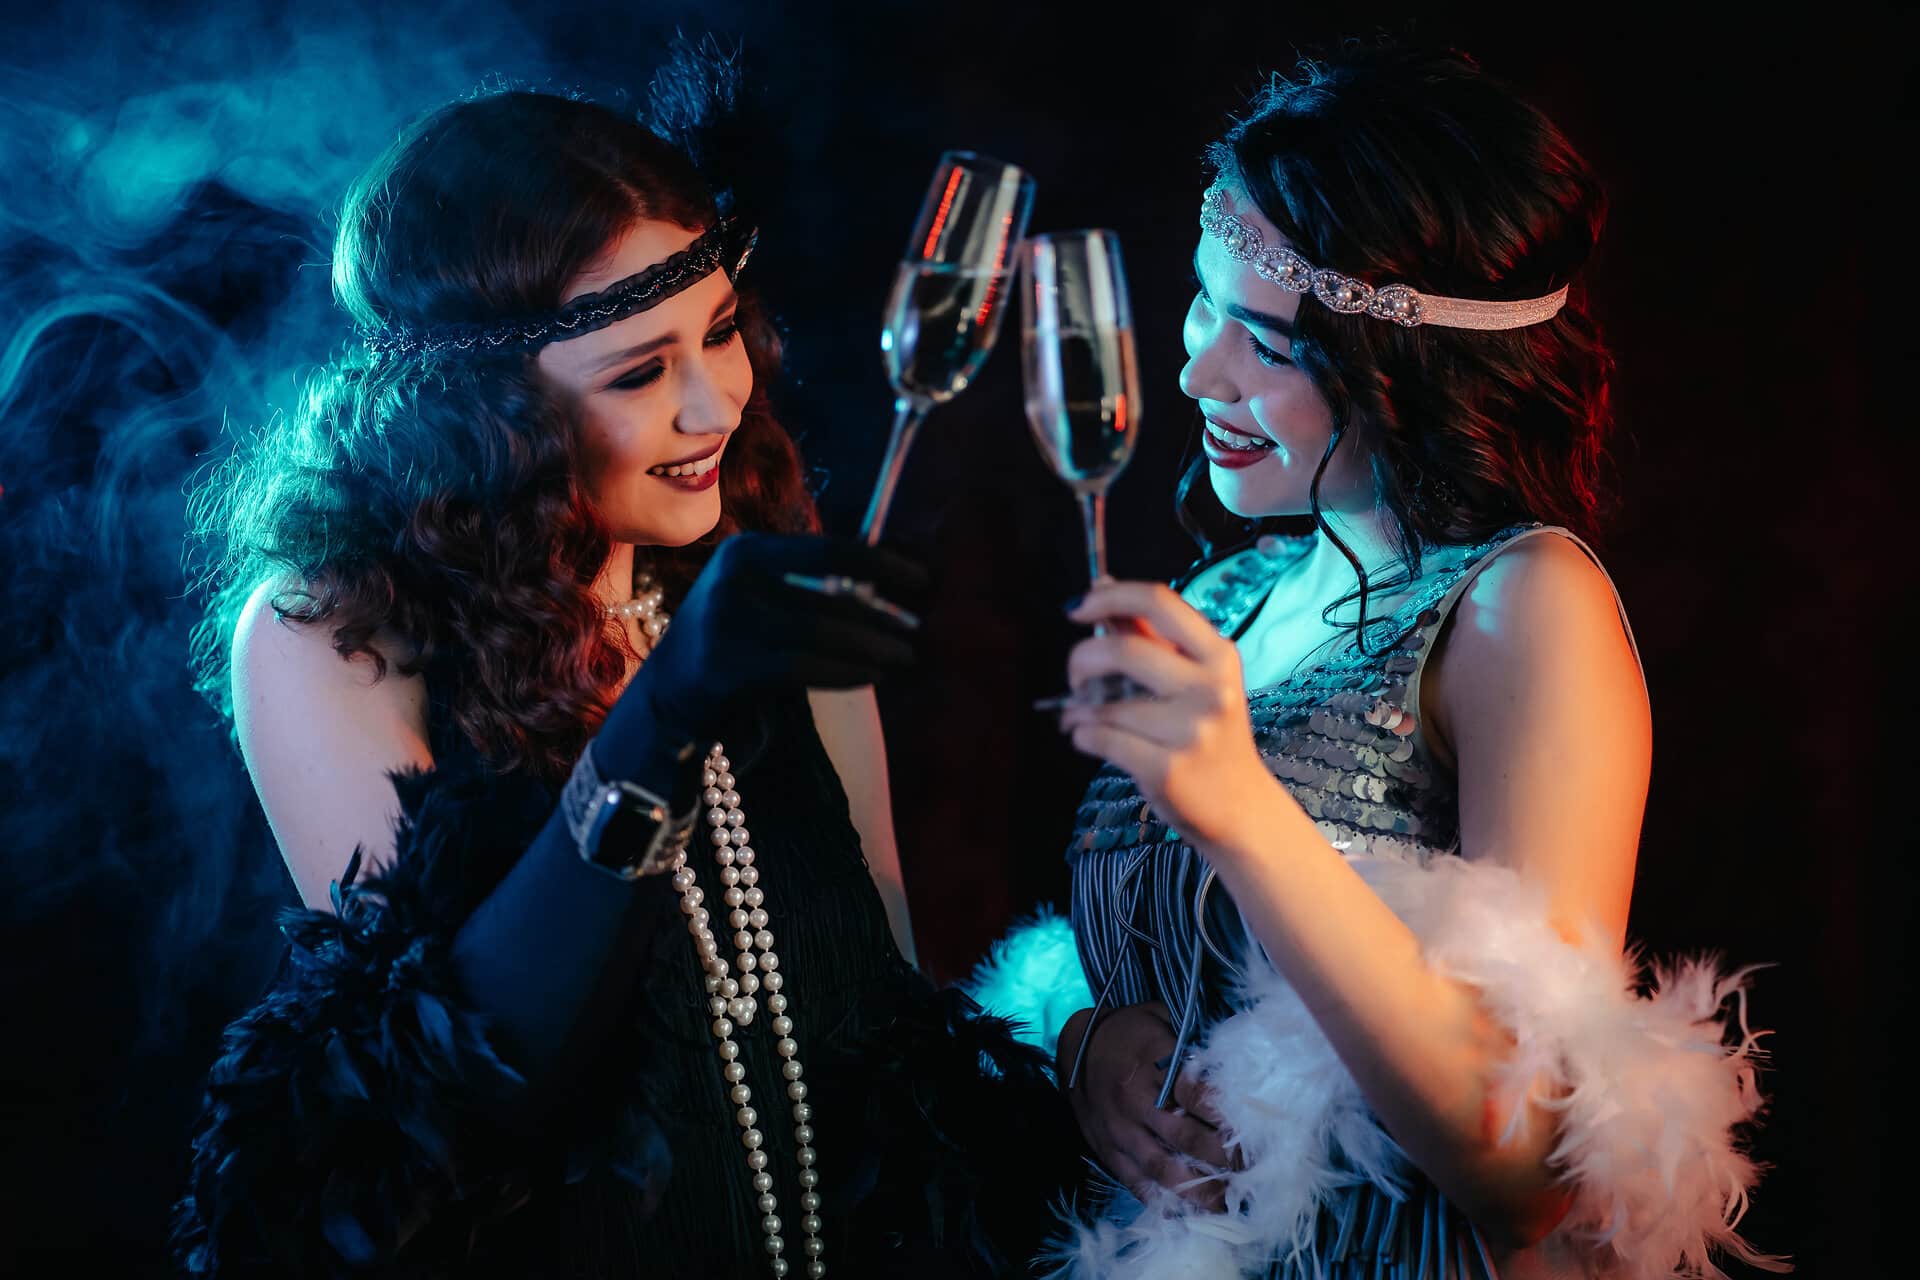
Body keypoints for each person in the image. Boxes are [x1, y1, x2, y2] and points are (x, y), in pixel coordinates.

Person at [173, 53, 1077, 1279]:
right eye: (641, 371)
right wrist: (671, 709)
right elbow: (449, 1089)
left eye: (721, 332)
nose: (716, 406)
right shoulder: (332, 635)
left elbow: (896, 1003)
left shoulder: (752, 551)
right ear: (481, 415)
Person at [974, 43, 1782, 1280]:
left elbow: (1531, 1166)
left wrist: (1243, 810)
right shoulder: (1224, 598)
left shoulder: (1523, 603)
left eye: (1268, 342)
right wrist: (1083, 1043)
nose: (1197, 370)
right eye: (1202, 302)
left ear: (1409, 371)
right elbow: (1146, 961)